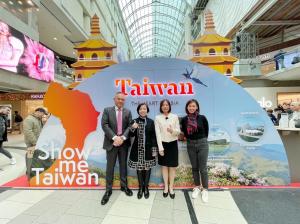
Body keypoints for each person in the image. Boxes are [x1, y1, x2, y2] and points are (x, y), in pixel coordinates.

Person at [101, 92, 133, 205]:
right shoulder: (107, 110)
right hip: (111, 143)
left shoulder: (128, 112)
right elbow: (104, 125)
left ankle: (124, 186)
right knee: (110, 167)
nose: (120, 101)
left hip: (123, 143)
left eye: (122, 99)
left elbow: (130, 126)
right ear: (114, 99)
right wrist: (115, 138)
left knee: (123, 166)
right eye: (118, 99)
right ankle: (108, 190)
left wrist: (122, 138)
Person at [181, 99, 209, 202]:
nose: (191, 108)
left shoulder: (202, 118)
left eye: (193, 106)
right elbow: (184, 133)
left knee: (203, 168)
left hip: (202, 144)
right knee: (195, 167)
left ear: (197, 107)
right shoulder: (184, 120)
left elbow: (206, 132)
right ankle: (197, 186)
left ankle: (205, 189)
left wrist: (202, 140)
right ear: (187, 108)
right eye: (189, 106)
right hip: (190, 144)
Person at [128, 103, 157, 199]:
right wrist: (133, 128)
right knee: (140, 168)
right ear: (138, 111)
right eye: (140, 109)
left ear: (147, 111)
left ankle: (146, 187)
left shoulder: (151, 122)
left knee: (147, 168)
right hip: (137, 149)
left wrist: (154, 149)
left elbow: (153, 137)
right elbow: (131, 136)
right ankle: (140, 188)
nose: (142, 110)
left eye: (144, 109)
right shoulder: (134, 121)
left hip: (148, 150)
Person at [155, 99, 180, 199]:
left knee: (172, 167)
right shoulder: (158, 118)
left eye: (167, 105)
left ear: (169, 106)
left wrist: (172, 130)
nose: (165, 106)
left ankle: (171, 187)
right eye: (163, 105)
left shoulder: (174, 117)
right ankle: (165, 186)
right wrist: (160, 148)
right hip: (163, 145)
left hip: (173, 144)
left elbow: (178, 132)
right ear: (161, 107)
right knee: (164, 167)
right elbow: (158, 133)